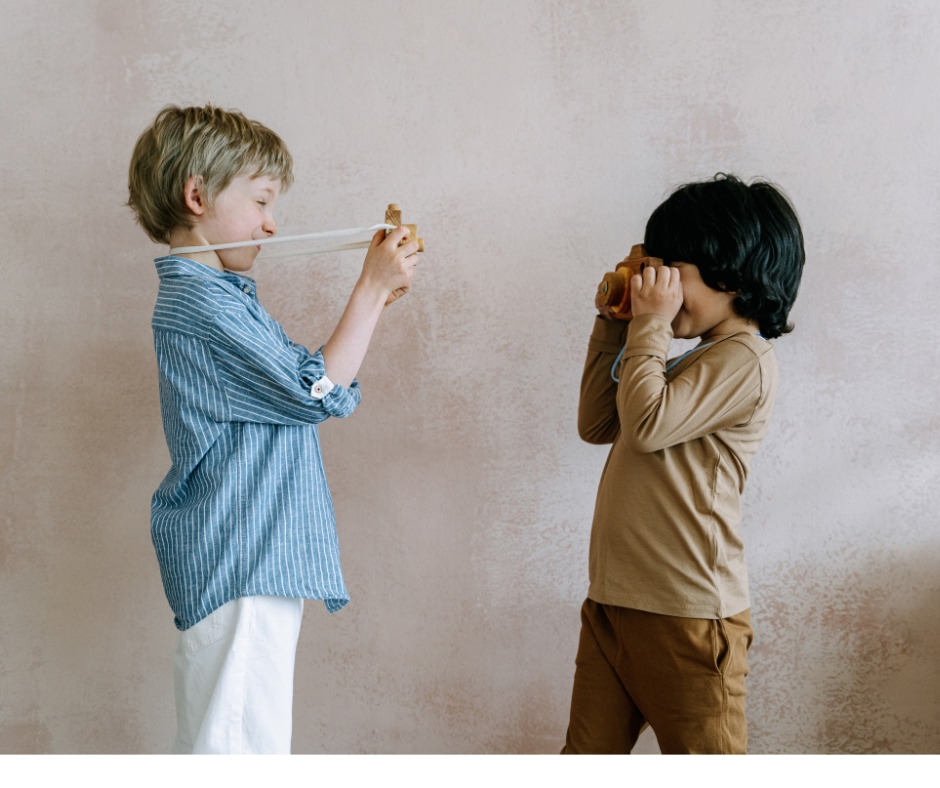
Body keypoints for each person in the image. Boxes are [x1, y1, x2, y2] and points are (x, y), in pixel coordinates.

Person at [127, 105, 419, 754]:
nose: (271, 223)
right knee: (238, 752)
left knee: (229, 745)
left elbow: (312, 384)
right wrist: (369, 293)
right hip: (242, 559)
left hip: (246, 559)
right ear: (197, 196)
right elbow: (310, 392)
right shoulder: (201, 303)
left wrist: (374, 297)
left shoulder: (221, 297)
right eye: (260, 200)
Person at [563, 174, 804, 754]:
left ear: (732, 273)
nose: (659, 286)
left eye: (672, 270)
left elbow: (646, 426)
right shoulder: (681, 361)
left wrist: (649, 325)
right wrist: (617, 321)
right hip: (614, 603)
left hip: (689, 616)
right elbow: (598, 423)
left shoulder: (746, 360)